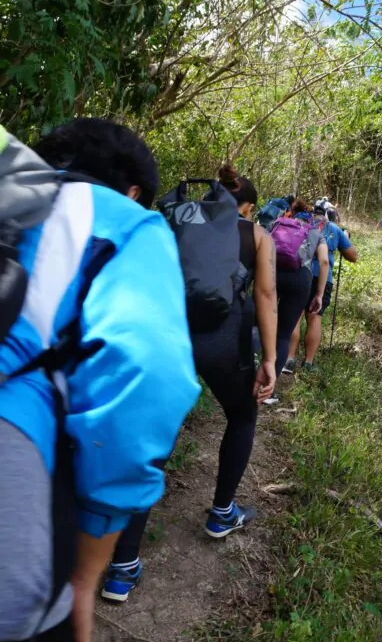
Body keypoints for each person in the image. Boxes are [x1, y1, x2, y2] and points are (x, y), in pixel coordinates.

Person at [0, 119, 199, 642]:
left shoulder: (10, 176)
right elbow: (146, 374)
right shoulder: (122, 221)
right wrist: (86, 576)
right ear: (135, 188)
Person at [102, 165, 276, 601]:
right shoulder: (256, 235)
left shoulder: (176, 220)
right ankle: (221, 513)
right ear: (248, 207)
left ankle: (122, 567)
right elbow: (266, 297)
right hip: (226, 342)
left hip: (169, 338)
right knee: (241, 415)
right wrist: (270, 359)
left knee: (156, 440)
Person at [263, 200, 328, 405]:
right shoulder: (315, 232)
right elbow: (324, 261)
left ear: (291, 213)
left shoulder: (277, 223)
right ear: (309, 215)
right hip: (300, 279)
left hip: (271, 275)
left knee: (261, 324)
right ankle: (267, 389)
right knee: (283, 334)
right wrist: (319, 293)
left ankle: (244, 375)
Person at [283, 204, 357, 373]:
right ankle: (308, 363)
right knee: (315, 318)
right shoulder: (334, 229)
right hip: (323, 278)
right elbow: (353, 256)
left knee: (296, 314)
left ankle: (289, 359)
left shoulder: (301, 223)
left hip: (300, 272)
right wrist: (345, 238)